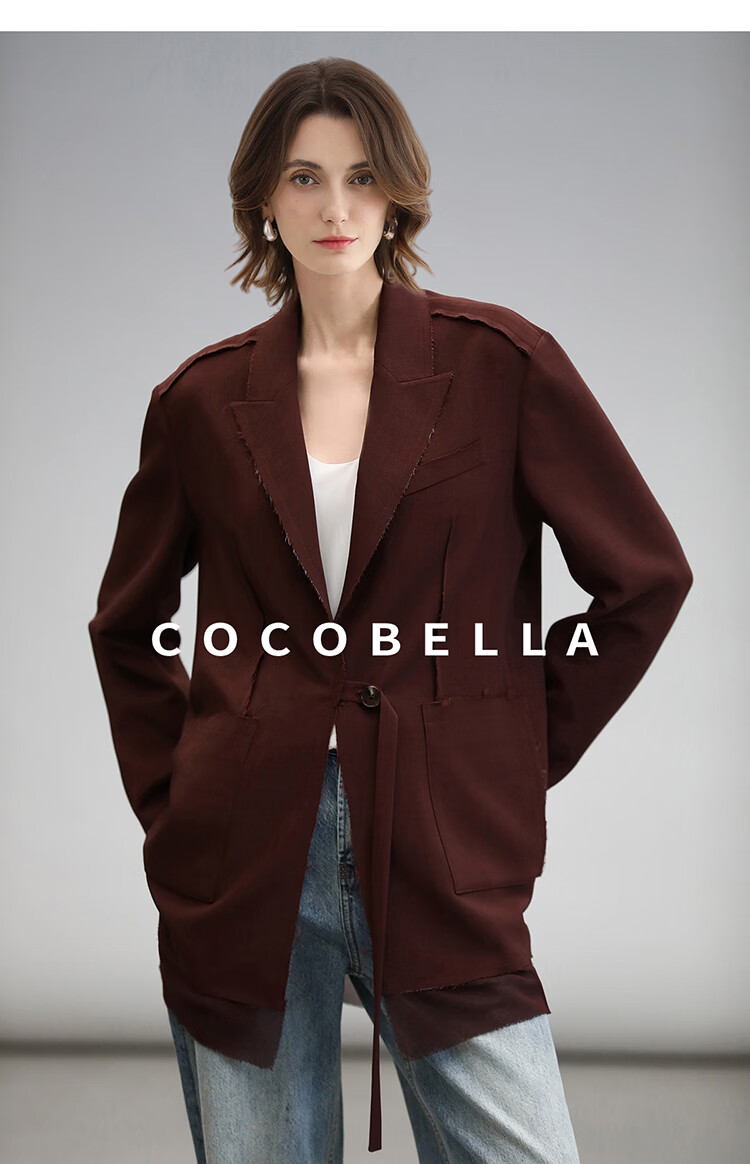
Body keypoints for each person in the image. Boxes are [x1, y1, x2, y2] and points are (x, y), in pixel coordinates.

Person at [88, 57, 693, 1162]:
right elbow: (125, 625)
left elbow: (645, 578)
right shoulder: (199, 401)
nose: (336, 206)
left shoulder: (501, 367)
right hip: (242, 855)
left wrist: (506, 751)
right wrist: (180, 804)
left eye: (361, 176)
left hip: (437, 844)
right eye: (305, 177)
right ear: (263, 202)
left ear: (398, 193)